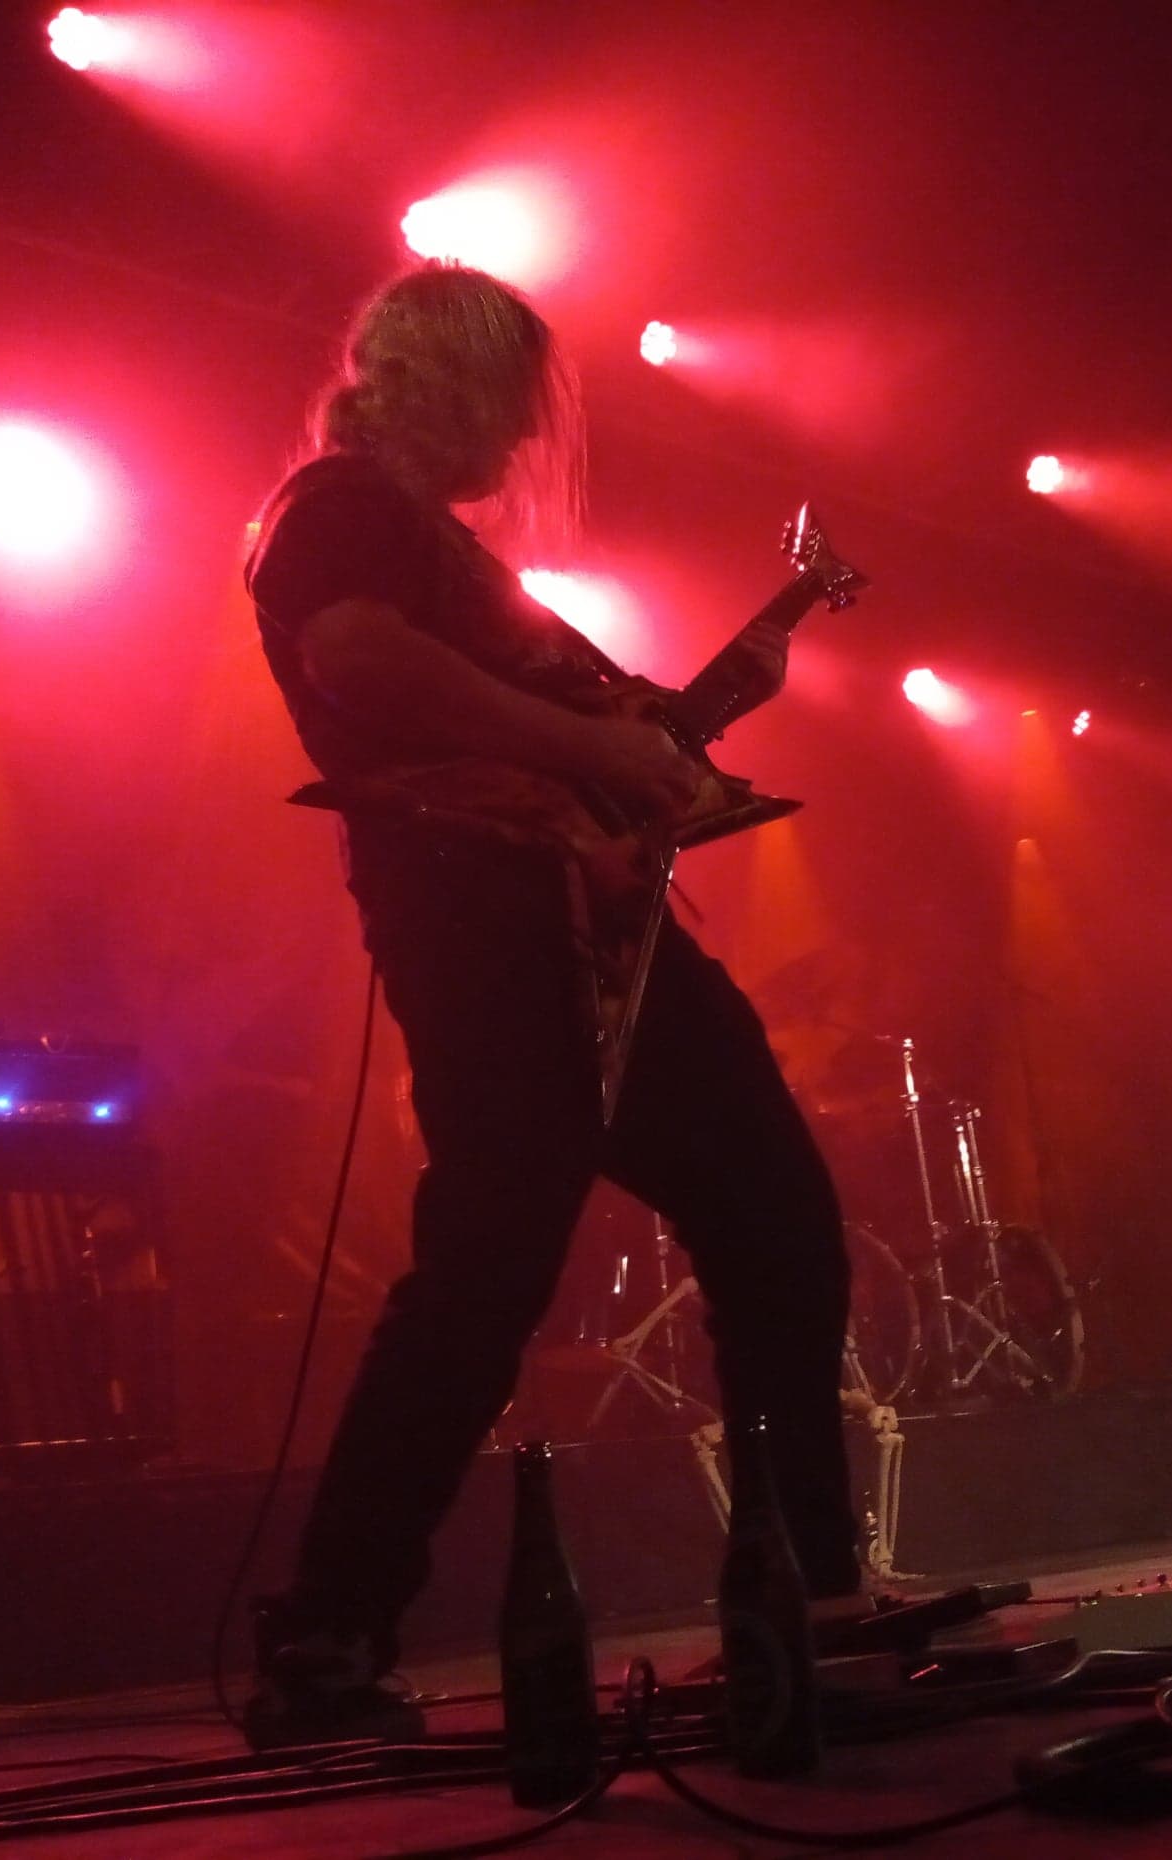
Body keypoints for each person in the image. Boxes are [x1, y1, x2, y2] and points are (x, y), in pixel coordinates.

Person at [241, 261, 863, 1745]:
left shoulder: (442, 552)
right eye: (514, 406)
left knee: (763, 1221)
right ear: (448, 381)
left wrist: (632, 773)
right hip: (484, 932)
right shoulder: (341, 506)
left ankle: (806, 1591)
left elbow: (551, 742)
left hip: (572, 929)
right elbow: (354, 656)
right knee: (498, 1264)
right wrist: (589, 755)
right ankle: (328, 1632)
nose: (526, 441)